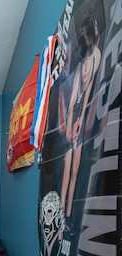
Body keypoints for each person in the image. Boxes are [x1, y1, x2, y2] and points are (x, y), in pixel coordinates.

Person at [61, 14, 101, 224]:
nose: (86, 64)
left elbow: (87, 97)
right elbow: (74, 102)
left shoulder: (97, 56)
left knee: (75, 172)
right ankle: (60, 217)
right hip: (73, 112)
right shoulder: (80, 67)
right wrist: (70, 126)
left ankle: (68, 218)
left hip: (83, 115)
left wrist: (81, 120)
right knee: (67, 173)